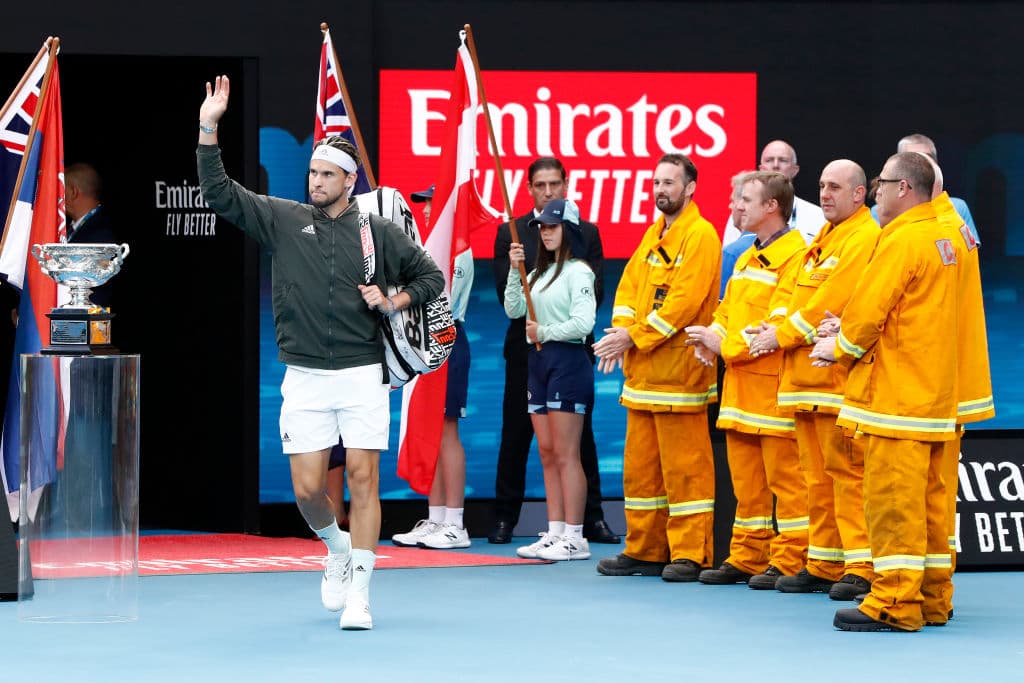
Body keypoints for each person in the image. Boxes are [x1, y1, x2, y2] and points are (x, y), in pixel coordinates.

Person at [196, 75, 443, 631]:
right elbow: (219, 193)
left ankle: (361, 592)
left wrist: (393, 297)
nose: (315, 181)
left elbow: (430, 276)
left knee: (362, 479)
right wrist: (210, 127)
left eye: (327, 173)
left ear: (349, 181)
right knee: (309, 490)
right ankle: (334, 548)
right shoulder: (284, 219)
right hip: (304, 377)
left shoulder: (377, 230)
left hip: (362, 374)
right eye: (312, 172)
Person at [810, 152, 960, 632]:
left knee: (893, 504)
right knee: (934, 508)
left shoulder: (900, 239)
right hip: (938, 397)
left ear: (904, 189)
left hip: (897, 397)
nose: (876, 191)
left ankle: (895, 601)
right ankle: (933, 598)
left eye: (882, 183)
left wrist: (838, 345)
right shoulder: (952, 232)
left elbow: (869, 314)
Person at [746, 160, 880, 600]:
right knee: (815, 478)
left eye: (835, 187)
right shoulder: (823, 237)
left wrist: (777, 337)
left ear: (859, 195)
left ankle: (860, 565)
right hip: (804, 382)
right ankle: (824, 562)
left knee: (846, 475)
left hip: (836, 381)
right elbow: (794, 295)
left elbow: (830, 301)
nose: (824, 194)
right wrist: (771, 328)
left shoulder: (862, 238)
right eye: (821, 186)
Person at [592, 153, 720, 582]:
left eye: (669, 182)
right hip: (643, 376)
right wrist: (622, 331)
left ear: (690, 188)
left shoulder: (701, 235)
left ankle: (689, 553)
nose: (660, 190)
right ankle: (645, 549)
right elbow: (628, 289)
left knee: (686, 472)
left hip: (680, 377)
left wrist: (633, 337)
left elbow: (683, 303)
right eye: (656, 183)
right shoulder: (652, 235)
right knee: (640, 472)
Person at [685, 171, 808, 590]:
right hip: (739, 392)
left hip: (773, 392)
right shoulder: (744, 256)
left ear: (771, 206)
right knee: (747, 487)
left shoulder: (796, 256)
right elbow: (725, 310)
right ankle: (747, 555)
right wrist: (710, 339)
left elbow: (774, 326)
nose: (737, 206)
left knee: (787, 484)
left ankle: (791, 558)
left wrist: (723, 346)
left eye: (746, 199)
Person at [490, 157, 618, 546]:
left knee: (577, 442)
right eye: (539, 185)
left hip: (567, 353)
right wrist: (518, 272)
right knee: (523, 437)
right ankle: (509, 520)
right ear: (529, 188)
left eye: (554, 185)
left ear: (565, 184)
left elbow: (590, 298)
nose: (547, 192)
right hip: (527, 352)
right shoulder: (511, 234)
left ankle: (586, 522)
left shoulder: (585, 235)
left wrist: (547, 328)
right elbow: (510, 302)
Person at [503, 198, 596, 561]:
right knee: (546, 451)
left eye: (552, 226)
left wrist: (545, 329)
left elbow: (584, 324)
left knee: (566, 452)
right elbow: (514, 309)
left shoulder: (579, 272)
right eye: (542, 226)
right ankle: (555, 530)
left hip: (569, 362)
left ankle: (575, 535)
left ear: (569, 229)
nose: (545, 232)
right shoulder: (537, 274)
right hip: (538, 363)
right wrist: (515, 271)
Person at [391, 184, 475, 550]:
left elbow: (441, 298)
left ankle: (456, 523)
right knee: (430, 430)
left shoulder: (459, 254)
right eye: (422, 205)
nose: (426, 211)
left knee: (447, 431)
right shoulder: (421, 251)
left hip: (447, 341)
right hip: (421, 346)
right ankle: (436, 517)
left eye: (432, 206)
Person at [722, 140, 825, 247]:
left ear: (795, 170)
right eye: (769, 160)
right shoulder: (743, 212)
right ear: (761, 169)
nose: (776, 165)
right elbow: (730, 255)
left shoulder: (817, 215)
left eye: (783, 160)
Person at [895, 133, 979, 242]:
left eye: (927, 158)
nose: (920, 165)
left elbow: (969, 254)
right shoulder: (881, 211)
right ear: (897, 165)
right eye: (911, 158)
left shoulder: (957, 207)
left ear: (936, 165)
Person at [64, 163, 117, 307]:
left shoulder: (102, 233)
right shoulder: (70, 228)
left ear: (73, 192)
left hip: (89, 321)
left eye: (60, 189)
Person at [720, 171, 756, 297]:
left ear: (742, 205)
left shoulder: (731, 253)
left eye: (732, 200)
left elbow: (720, 304)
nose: (730, 206)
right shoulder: (781, 244)